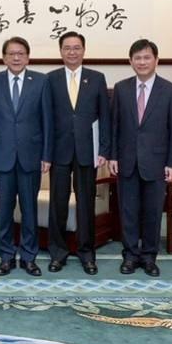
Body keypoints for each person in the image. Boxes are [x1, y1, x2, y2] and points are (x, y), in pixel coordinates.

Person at [109, 39, 172, 277]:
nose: (142, 62)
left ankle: (150, 256)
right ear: (131, 61)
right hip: (127, 160)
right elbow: (114, 126)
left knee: (153, 212)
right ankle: (130, 255)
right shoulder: (121, 88)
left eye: (147, 57)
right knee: (128, 211)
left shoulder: (171, 91)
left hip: (157, 162)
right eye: (137, 58)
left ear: (156, 60)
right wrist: (112, 156)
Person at [0, 36, 53, 277]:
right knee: (4, 211)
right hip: (1, 157)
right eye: (11, 53)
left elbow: (47, 121)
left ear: (27, 56)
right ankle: (5, 257)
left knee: (29, 210)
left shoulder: (41, 81)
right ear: (4, 57)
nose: (16, 57)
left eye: (20, 53)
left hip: (31, 157)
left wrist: (46, 155)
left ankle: (28, 257)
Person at [46, 31, 110, 275]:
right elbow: (46, 119)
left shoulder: (96, 78)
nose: (72, 52)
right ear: (60, 51)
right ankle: (58, 253)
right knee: (58, 204)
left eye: (76, 47)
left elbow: (104, 116)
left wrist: (103, 149)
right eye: (67, 48)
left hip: (87, 151)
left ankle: (87, 254)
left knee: (85, 205)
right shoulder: (50, 79)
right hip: (58, 151)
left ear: (84, 50)